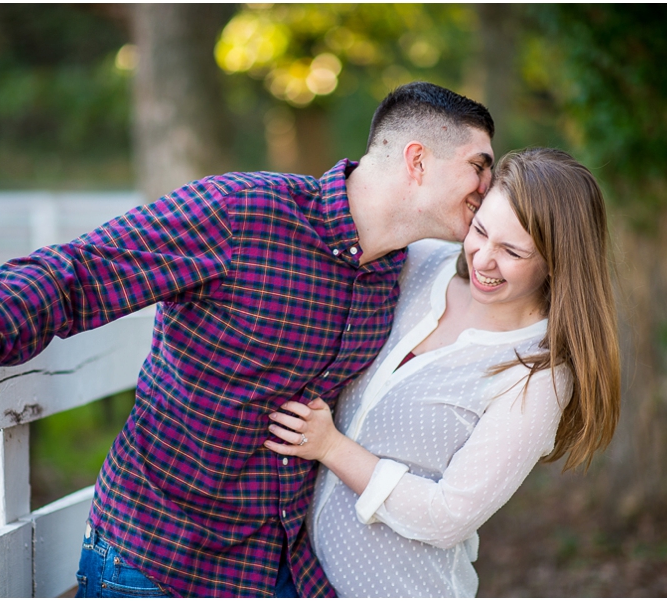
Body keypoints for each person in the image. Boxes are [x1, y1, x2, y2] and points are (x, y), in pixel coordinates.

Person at [0, 82, 495, 597]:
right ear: (417, 160)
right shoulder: (242, 212)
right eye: (479, 166)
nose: (488, 188)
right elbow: (82, 270)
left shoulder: (401, 273)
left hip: (276, 569)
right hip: (155, 566)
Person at [265, 147, 621, 597]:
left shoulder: (539, 373)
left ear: (557, 262)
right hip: (296, 578)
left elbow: (448, 515)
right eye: (480, 230)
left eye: (511, 251)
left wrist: (330, 447)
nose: (483, 259)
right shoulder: (419, 263)